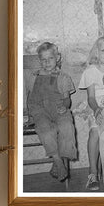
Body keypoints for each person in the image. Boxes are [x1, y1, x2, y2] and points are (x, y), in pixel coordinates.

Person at [27, 42, 76, 181]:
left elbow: (67, 100)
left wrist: (64, 107)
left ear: (58, 57)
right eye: (43, 59)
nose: (47, 62)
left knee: (67, 126)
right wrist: (30, 115)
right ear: (39, 60)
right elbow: (30, 97)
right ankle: (58, 161)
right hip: (40, 110)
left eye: (51, 58)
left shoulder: (63, 77)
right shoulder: (33, 76)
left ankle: (57, 161)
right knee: (46, 130)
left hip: (58, 108)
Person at [78, 36, 104, 191]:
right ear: (97, 52)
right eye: (103, 51)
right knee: (95, 132)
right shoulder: (90, 72)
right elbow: (90, 97)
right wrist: (96, 110)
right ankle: (93, 173)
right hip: (96, 107)